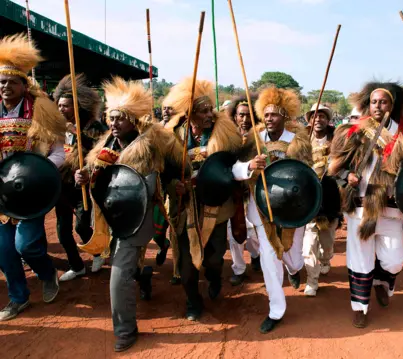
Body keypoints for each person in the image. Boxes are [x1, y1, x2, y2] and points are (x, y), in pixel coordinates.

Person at [75, 77, 187, 351]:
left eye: (119, 119)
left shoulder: (154, 144)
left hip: (139, 218)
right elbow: (96, 177)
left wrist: (177, 185)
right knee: (128, 267)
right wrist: (84, 176)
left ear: (133, 121)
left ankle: (125, 330)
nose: (113, 124)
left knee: (119, 273)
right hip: (110, 217)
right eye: (110, 119)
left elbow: (175, 170)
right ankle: (144, 275)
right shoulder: (106, 146)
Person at [163, 78, 262, 320]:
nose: (211, 114)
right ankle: (193, 301)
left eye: (210, 109)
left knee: (214, 259)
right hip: (185, 208)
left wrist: (246, 167)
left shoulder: (224, 133)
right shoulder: (172, 135)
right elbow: (163, 171)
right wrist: (175, 185)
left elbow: (233, 166)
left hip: (216, 207)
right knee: (186, 266)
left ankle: (215, 277)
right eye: (204, 111)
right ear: (190, 114)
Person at [328, 81, 403, 328]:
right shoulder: (354, 131)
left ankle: (383, 282)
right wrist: (346, 177)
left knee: (393, 259)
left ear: (392, 105)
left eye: (383, 102)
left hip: (392, 208)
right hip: (360, 207)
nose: (378, 106)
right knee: (360, 259)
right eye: (374, 102)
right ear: (367, 105)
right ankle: (359, 306)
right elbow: (335, 168)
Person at [0, 34, 66, 322]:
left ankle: (47, 273)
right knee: (3, 251)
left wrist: (38, 174)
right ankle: (19, 298)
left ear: (23, 85)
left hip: (32, 191)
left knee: (26, 245)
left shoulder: (43, 112)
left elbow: (58, 154)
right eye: (1, 82)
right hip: (2, 193)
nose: (4, 87)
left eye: (10, 82)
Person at [240, 86, 312, 333]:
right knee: (271, 259)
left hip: (292, 210)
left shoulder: (299, 141)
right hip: (263, 209)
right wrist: (251, 165)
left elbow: (308, 175)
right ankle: (276, 310)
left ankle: (294, 269)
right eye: (266, 114)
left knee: (291, 256)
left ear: (285, 117)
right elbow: (237, 168)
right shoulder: (253, 140)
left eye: (275, 114)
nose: (269, 119)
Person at [53, 73, 109, 281]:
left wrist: (77, 132)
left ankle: (98, 253)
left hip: (84, 187)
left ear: (78, 107)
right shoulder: (56, 128)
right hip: (61, 186)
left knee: (82, 226)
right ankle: (76, 266)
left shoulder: (94, 127)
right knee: (63, 231)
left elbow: (102, 153)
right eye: (59, 105)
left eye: (65, 106)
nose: (61, 109)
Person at [303, 103, 340, 297]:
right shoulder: (301, 140)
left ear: (328, 120)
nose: (318, 119)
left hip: (331, 198)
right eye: (314, 116)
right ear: (309, 119)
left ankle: (326, 260)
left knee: (327, 243)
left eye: (322, 116)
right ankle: (312, 280)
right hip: (309, 199)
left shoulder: (337, 140)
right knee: (309, 244)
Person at [226, 94, 261, 286]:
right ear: (235, 116)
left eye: (248, 115)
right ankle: (238, 268)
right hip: (234, 194)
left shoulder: (259, 138)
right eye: (241, 115)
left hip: (255, 193)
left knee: (254, 233)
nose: (245, 120)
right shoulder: (227, 138)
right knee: (234, 234)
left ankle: (256, 256)